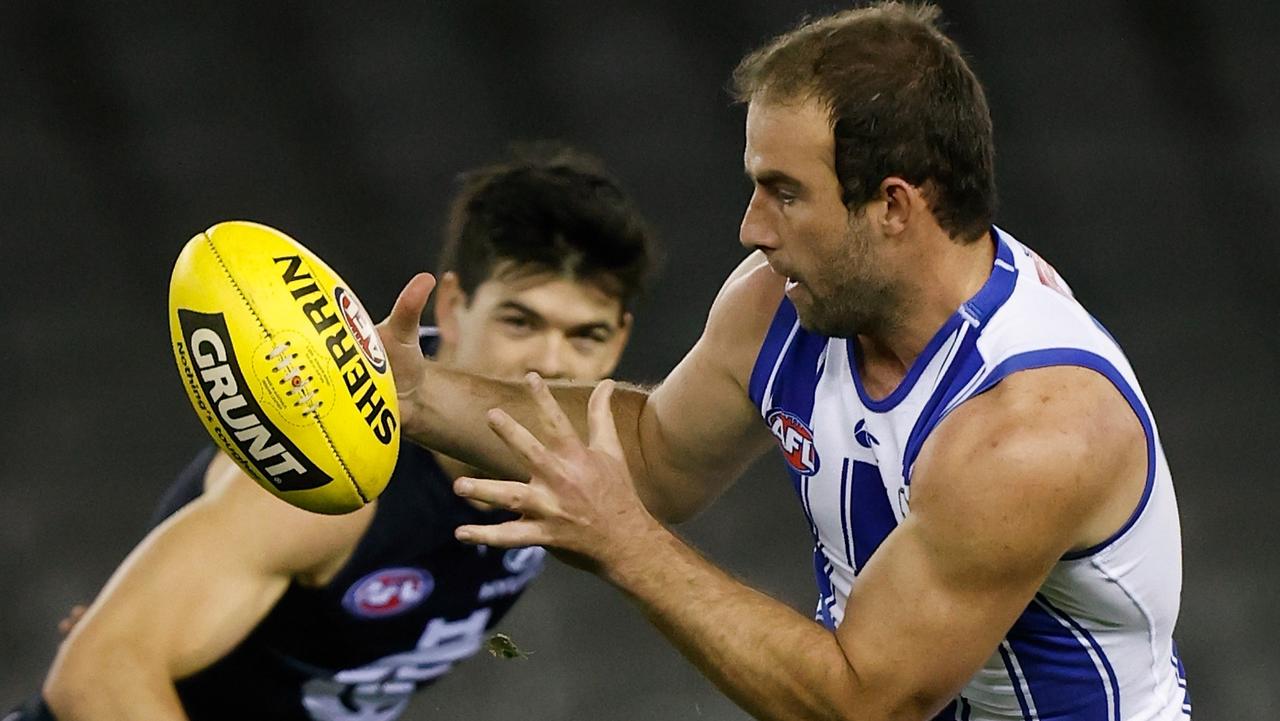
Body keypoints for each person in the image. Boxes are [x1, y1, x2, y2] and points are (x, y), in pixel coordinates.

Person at [374, 4, 1190, 720]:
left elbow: (862, 700)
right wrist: (410, 391)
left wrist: (628, 545)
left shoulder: (1030, 427)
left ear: (895, 205)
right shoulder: (785, 303)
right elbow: (657, 454)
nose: (752, 227)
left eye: (784, 191)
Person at [18, 144, 657, 721]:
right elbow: (98, 676)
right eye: (520, 322)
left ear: (620, 339)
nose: (550, 362)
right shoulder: (338, 466)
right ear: (453, 306)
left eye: (586, 335)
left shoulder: (562, 463)